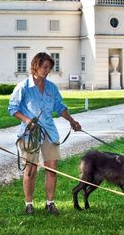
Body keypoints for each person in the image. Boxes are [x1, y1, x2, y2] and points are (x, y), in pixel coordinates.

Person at [9, 52, 81, 216]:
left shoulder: (51, 87)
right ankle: (29, 204)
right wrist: (27, 120)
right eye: (45, 67)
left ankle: (50, 203)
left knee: (52, 170)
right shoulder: (23, 87)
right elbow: (13, 109)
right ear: (36, 66)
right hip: (30, 134)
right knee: (30, 170)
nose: (47, 71)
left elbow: (60, 107)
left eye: (49, 68)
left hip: (49, 132)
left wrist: (72, 121)